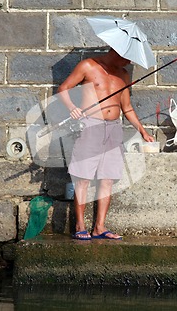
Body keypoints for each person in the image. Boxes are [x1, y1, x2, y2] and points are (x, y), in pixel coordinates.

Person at [57, 48, 154, 240]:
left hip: (113, 129)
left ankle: (99, 227)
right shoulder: (88, 66)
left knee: (107, 179)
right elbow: (63, 89)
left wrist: (142, 131)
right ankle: (80, 225)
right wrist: (72, 108)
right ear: (117, 52)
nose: (129, 63)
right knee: (83, 178)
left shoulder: (123, 75)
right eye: (128, 58)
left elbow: (127, 107)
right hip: (90, 126)